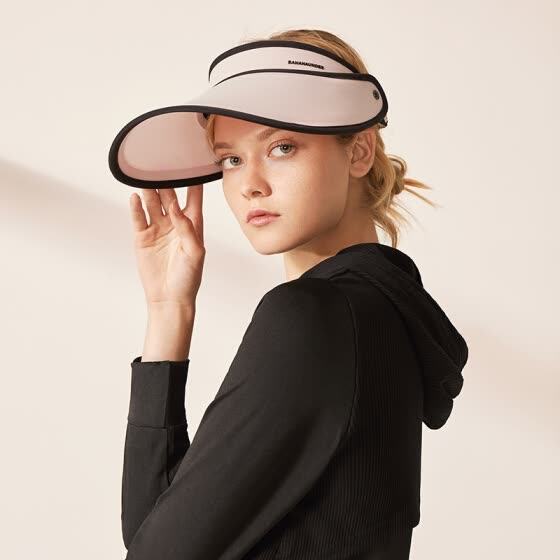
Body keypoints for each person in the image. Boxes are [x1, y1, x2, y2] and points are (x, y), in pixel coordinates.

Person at [120, 29, 469, 560]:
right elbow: (153, 532)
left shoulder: (313, 316)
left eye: (281, 147)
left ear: (359, 150)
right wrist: (169, 309)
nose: (250, 184)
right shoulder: (381, 310)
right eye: (231, 159)